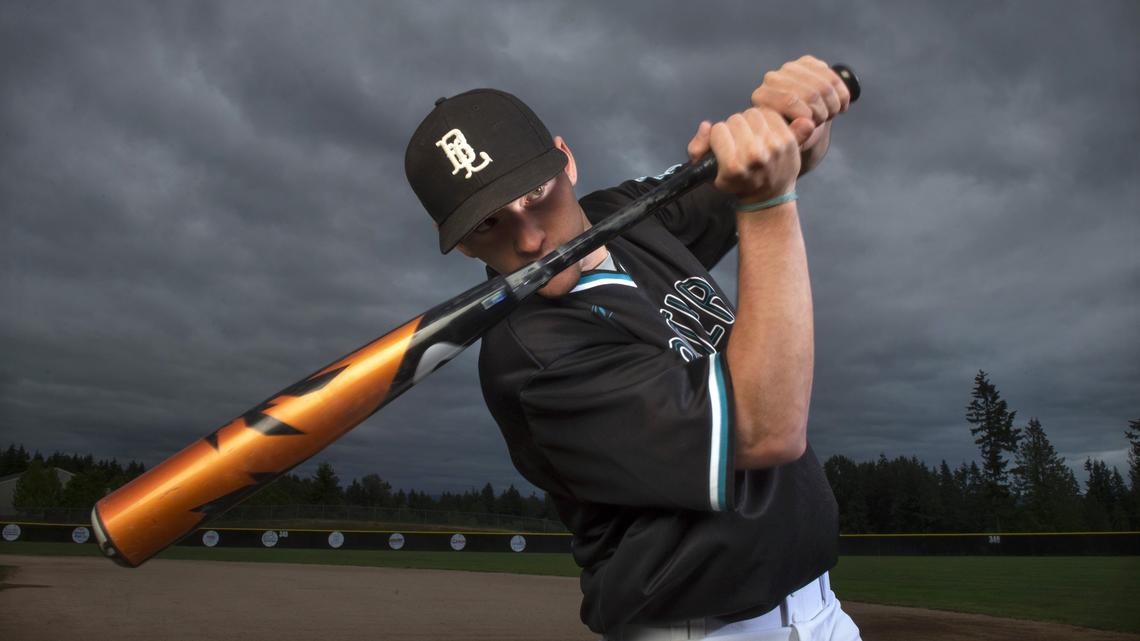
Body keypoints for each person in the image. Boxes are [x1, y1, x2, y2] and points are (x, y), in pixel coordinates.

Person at [404, 55, 861, 641]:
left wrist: (794, 123)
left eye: (535, 194)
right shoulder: (531, 356)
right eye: (488, 224)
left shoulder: (623, 213)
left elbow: (771, 161)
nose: (530, 238)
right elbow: (765, 429)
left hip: (820, 608)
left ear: (566, 161)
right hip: (702, 630)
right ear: (464, 247)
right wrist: (770, 205)